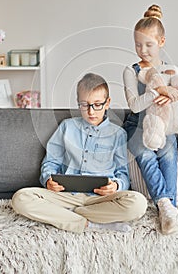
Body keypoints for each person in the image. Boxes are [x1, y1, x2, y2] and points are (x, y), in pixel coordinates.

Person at [12, 73, 147, 234]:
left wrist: (116, 185)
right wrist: (48, 179)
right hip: (65, 196)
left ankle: (67, 216)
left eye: (97, 104)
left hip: (100, 200)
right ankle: (90, 224)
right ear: (78, 103)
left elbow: (122, 173)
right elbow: (51, 162)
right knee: (20, 198)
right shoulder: (66, 127)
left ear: (107, 103)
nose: (91, 111)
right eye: (85, 104)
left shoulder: (118, 134)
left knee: (138, 203)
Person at [123, 5, 178, 235]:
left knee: (167, 152)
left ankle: (169, 208)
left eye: (148, 44)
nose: (142, 50)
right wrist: (157, 93)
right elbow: (135, 105)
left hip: (164, 125)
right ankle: (166, 206)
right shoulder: (131, 70)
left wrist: (175, 94)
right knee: (145, 154)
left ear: (161, 42)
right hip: (137, 126)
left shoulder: (172, 70)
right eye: (138, 44)